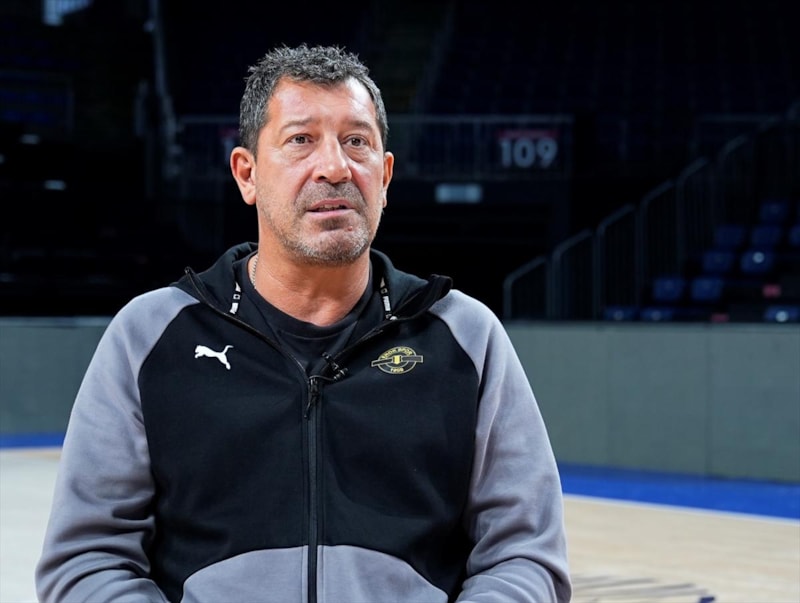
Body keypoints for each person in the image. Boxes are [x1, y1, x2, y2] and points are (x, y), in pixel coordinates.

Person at [35, 44, 572, 602]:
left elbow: (523, 556)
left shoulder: (466, 337)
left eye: (357, 141)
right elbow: (88, 561)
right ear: (246, 174)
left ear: (385, 176)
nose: (335, 167)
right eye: (301, 140)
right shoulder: (149, 336)